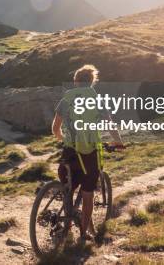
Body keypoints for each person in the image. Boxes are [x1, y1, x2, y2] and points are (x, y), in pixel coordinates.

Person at [51, 64, 123, 244]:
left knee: (69, 190)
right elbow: (109, 125)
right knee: (88, 194)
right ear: (92, 82)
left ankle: (66, 228)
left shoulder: (66, 98)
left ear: (75, 81)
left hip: (69, 153)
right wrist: (118, 142)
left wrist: (64, 139)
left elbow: (55, 128)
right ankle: (83, 235)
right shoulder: (97, 100)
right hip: (90, 154)